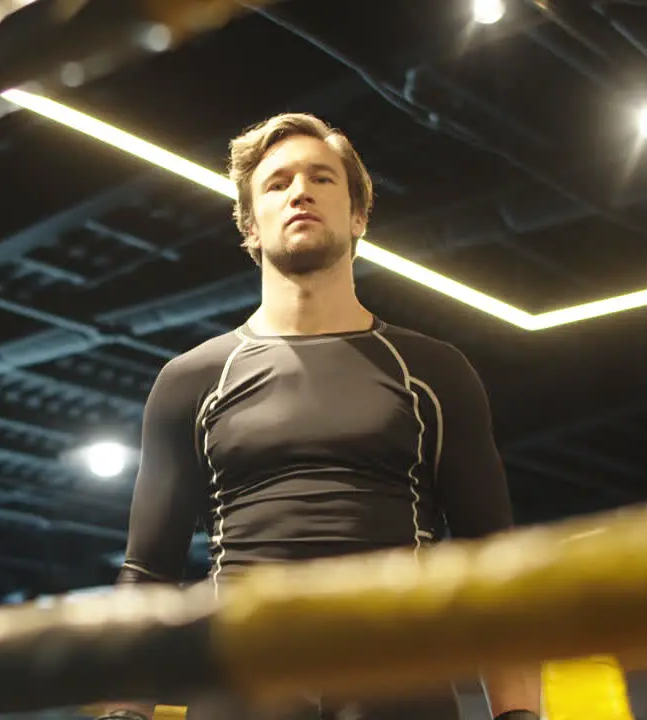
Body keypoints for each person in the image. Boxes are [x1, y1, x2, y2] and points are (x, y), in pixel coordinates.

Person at [98, 113, 542, 720]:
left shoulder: (436, 373)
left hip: (399, 687)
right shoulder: (190, 382)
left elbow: (495, 566)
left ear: (359, 215)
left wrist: (518, 716)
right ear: (250, 227)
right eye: (277, 183)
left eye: (321, 178)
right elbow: (148, 572)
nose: (300, 191)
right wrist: (125, 715)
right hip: (243, 688)